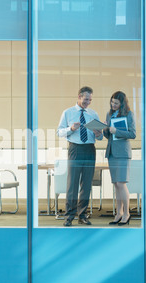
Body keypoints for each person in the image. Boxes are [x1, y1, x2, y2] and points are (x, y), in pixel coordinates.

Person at [57, 86, 103, 226]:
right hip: (75, 149)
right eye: (85, 99)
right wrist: (71, 129)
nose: (87, 102)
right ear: (79, 97)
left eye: (90, 100)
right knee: (73, 184)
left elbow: (100, 137)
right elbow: (59, 132)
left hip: (89, 149)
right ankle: (69, 216)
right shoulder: (68, 113)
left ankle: (82, 215)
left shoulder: (93, 114)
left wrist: (98, 134)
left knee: (87, 183)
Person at [103, 91, 136, 225]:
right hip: (111, 152)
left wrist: (117, 131)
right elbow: (109, 136)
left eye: (116, 103)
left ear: (122, 103)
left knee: (121, 183)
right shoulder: (109, 114)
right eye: (112, 102)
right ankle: (119, 213)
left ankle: (127, 213)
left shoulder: (129, 114)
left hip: (122, 153)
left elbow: (132, 134)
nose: (113, 105)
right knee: (116, 185)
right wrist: (105, 129)